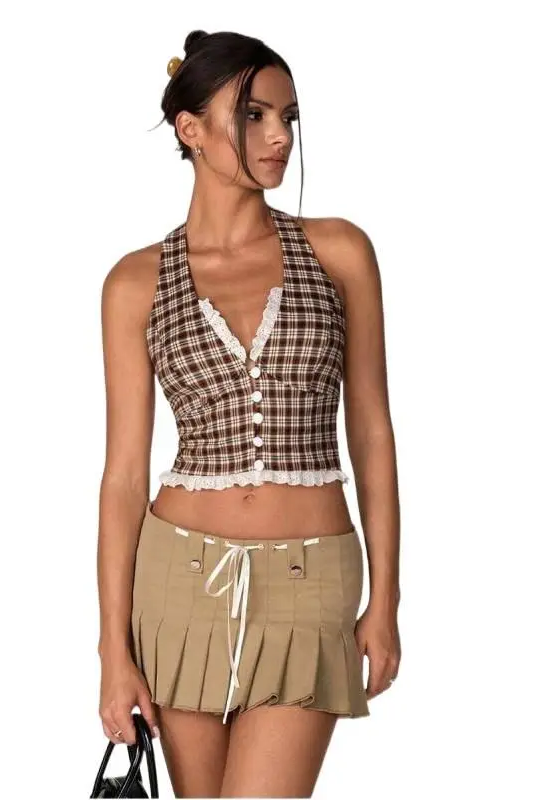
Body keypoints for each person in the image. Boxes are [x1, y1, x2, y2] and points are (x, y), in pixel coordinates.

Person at [97, 29, 401, 799]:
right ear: (190, 130)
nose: (279, 137)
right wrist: (111, 651)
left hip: (312, 581)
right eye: (255, 115)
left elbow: (371, 431)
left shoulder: (338, 252)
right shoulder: (135, 283)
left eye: (289, 117)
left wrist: (387, 597)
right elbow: (124, 477)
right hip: (177, 585)